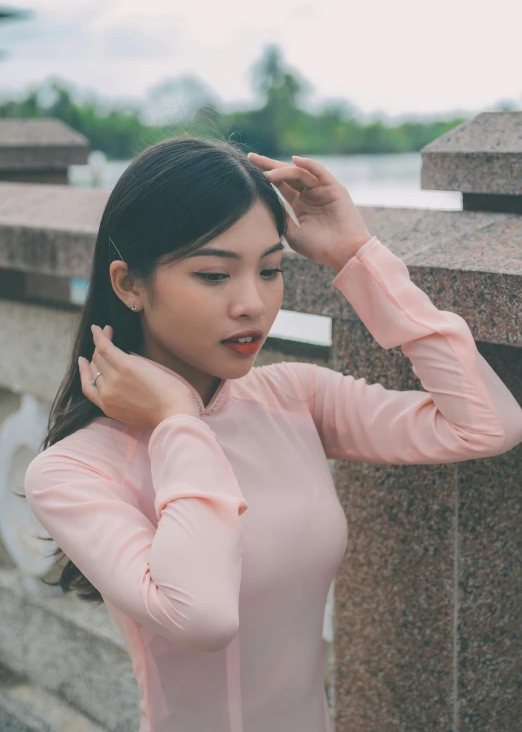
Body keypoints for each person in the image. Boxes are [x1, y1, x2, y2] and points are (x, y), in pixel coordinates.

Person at [22, 136, 522, 732]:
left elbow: (487, 424)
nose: (252, 304)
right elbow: (202, 616)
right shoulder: (72, 471)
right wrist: (178, 421)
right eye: (213, 275)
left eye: (270, 270)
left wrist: (358, 256)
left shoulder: (294, 396)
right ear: (129, 284)